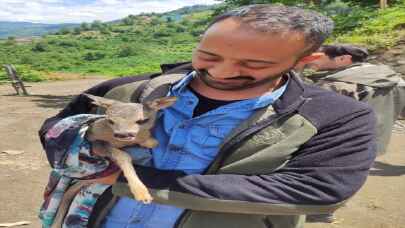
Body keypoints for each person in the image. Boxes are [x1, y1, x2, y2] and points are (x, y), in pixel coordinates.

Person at [39, 5, 377, 228]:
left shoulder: (339, 116)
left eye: (253, 64)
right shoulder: (126, 91)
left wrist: (126, 178)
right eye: (208, 55)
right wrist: (87, 142)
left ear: (306, 60)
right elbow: (55, 130)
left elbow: (317, 190)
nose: (223, 71)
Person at [297, 44, 405, 156]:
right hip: (374, 143)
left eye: (318, 56)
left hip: (335, 147)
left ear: (344, 58)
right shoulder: (394, 79)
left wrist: (297, 69)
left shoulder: (337, 84)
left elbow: (304, 113)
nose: (311, 60)